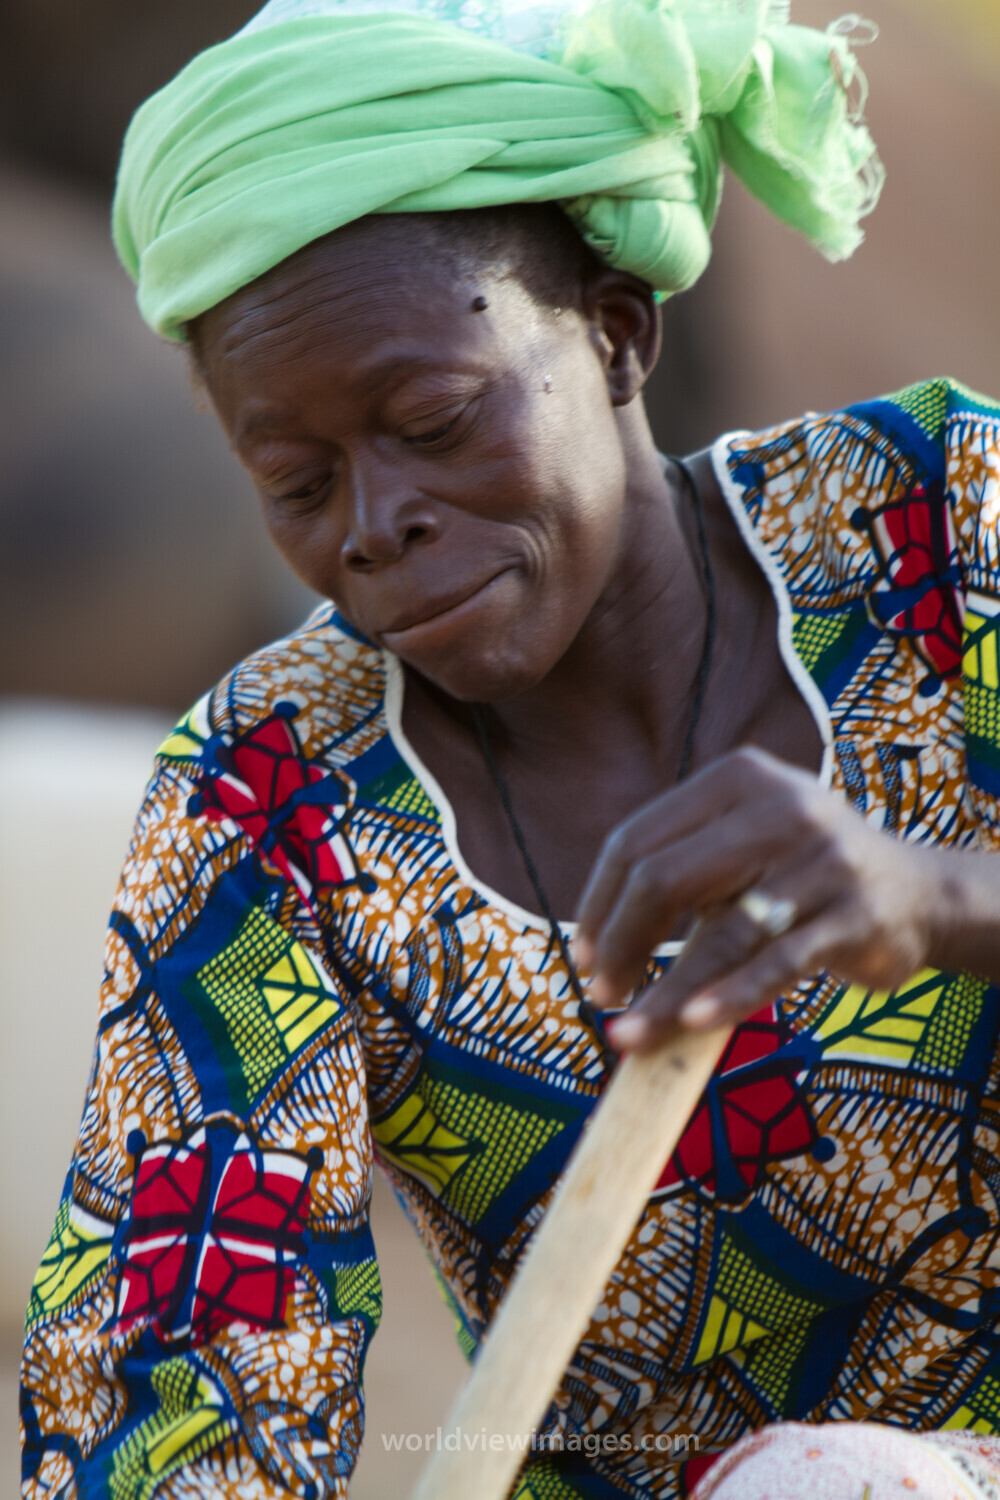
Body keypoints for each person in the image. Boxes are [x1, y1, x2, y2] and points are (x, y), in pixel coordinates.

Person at [19, 1, 1000, 1497]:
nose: (371, 524)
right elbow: (179, 1375)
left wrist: (939, 897)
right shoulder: (272, 798)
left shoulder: (946, 527)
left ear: (617, 334)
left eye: (435, 416)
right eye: (293, 480)